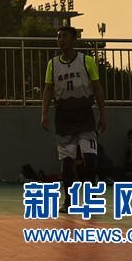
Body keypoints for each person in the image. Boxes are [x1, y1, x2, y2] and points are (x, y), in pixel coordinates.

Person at [40, 26, 106, 212]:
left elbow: (97, 88)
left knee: (90, 158)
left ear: (74, 40)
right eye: (59, 36)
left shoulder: (87, 61)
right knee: (67, 161)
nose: (61, 40)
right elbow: (48, 89)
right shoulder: (53, 64)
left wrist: (102, 114)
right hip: (64, 116)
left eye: (65, 36)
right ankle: (68, 201)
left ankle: (90, 199)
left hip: (84, 114)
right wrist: (44, 113)